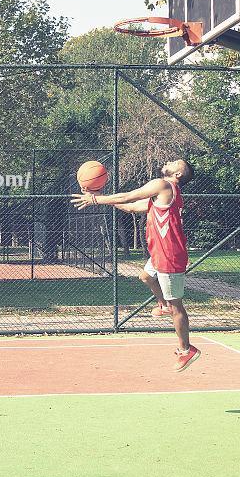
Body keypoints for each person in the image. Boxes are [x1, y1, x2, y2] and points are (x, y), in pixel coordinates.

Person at [72, 159, 199, 372]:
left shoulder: (164, 184)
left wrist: (95, 199)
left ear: (177, 175)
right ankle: (163, 305)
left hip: (170, 256)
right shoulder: (162, 196)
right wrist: (102, 198)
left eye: (176, 162)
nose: (170, 161)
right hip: (160, 254)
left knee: (177, 306)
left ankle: (186, 350)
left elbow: (129, 196)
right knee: (146, 277)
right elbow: (130, 206)